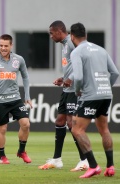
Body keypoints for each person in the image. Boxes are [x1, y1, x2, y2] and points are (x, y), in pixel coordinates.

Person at [70, 22, 119, 178]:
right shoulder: (101, 49)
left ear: (72, 36)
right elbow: (115, 73)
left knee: (76, 129)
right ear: (86, 35)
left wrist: (78, 91)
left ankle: (93, 166)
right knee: (104, 128)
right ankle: (110, 166)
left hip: (90, 95)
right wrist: (105, 87)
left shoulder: (77, 52)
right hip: (106, 95)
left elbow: (77, 77)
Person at [39, 20, 89, 171]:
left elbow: (82, 63)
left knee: (71, 123)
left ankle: (84, 160)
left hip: (75, 90)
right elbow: (71, 67)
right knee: (60, 121)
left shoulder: (72, 43)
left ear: (59, 31)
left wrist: (71, 79)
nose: (50, 36)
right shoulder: (64, 45)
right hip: (67, 89)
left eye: (51, 33)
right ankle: (57, 159)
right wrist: (64, 78)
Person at [0, 34, 32, 164]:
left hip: (15, 98)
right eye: (1, 45)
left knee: (26, 124)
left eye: (6, 46)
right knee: (2, 129)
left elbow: (25, 77)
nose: (3, 48)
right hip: (0, 100)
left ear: (11, 45)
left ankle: (21, 151)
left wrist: (27, 96)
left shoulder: (19, 59)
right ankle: (2, 156)